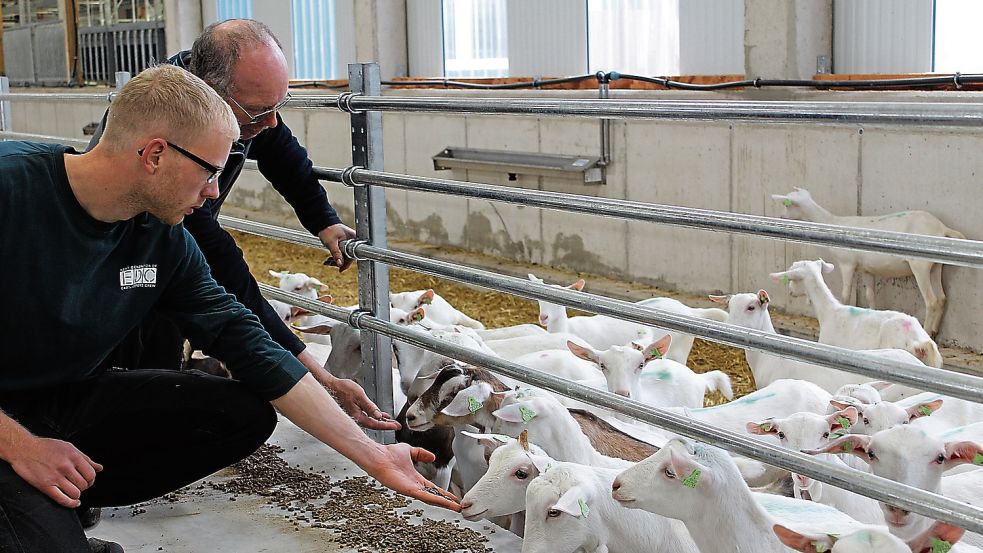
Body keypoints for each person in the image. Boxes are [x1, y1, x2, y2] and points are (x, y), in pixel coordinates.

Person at [0, 64, 458, 553]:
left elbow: (245, 339)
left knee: (240, 413)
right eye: (209, 171)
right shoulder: (12, 192)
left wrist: (374, 457)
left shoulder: (163, 238)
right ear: (155, 154)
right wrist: (22, 447)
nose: (215, 191)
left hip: (59, 400)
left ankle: (47, 504)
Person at [87, 19, 373, 425]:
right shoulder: (169, 123)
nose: (271, 121)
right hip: (124, 256)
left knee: (170, 343)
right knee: (132, 351)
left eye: (278, 106)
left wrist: (323, 222)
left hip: (170, 250)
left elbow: (282, 152)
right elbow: (222, 265)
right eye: (259, 110)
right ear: (210, 90)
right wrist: (310, 368)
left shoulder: (237, 102)